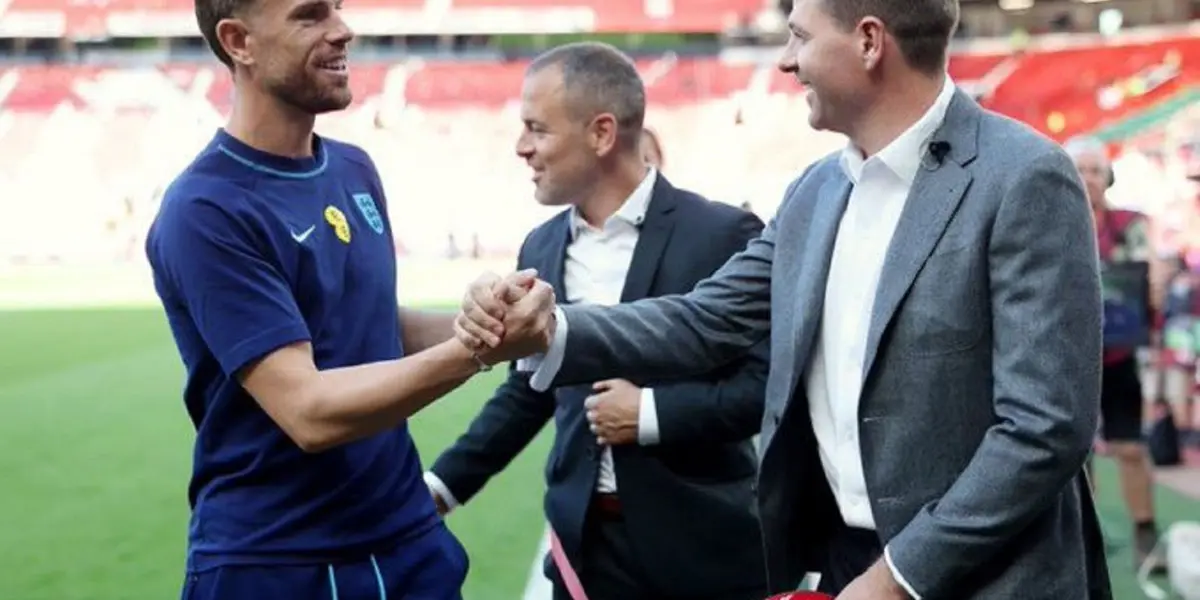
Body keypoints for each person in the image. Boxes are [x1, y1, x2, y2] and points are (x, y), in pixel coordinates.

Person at [456, 0, 1112, 598]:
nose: (785, 60)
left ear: (868, 42)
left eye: (799, 36)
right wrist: (552, 328)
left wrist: (899, 576)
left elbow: (1044, 428)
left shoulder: (1023, 176)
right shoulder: (816, 190)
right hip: (847, 564)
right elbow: (706, 319)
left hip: (986, 578)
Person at [142, 0, 552, 596]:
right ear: (239, 41)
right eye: (311, 16)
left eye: (337, 8)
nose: (343, 30)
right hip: (282, 561)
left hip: (407, 540)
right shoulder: (207, 208)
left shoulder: (353, 170)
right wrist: (481, 346)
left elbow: (371, 327)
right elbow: (308, 411)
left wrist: (493, 312)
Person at [425, 42, 770, 600]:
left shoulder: (723, 235)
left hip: (704, 553)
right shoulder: (541, 246)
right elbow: (527, 393)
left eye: (537, 128)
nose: (521, 147)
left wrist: (651, 413)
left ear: (602, 133)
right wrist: (438, 490)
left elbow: (765, 386)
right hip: (582, 552)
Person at [1065, 136, 1165, 573]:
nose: (1088, 178)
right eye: (1080, 168)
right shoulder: (1049, 219)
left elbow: (1150, 279)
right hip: (1068, 357)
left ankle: (1146, 530)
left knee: (1128, 447)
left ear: (1108, 177)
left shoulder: (1130, 223)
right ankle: (1084, 537)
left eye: (1095, 169)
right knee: (1073, 454)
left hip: (1120, 356)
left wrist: (1156, 286)